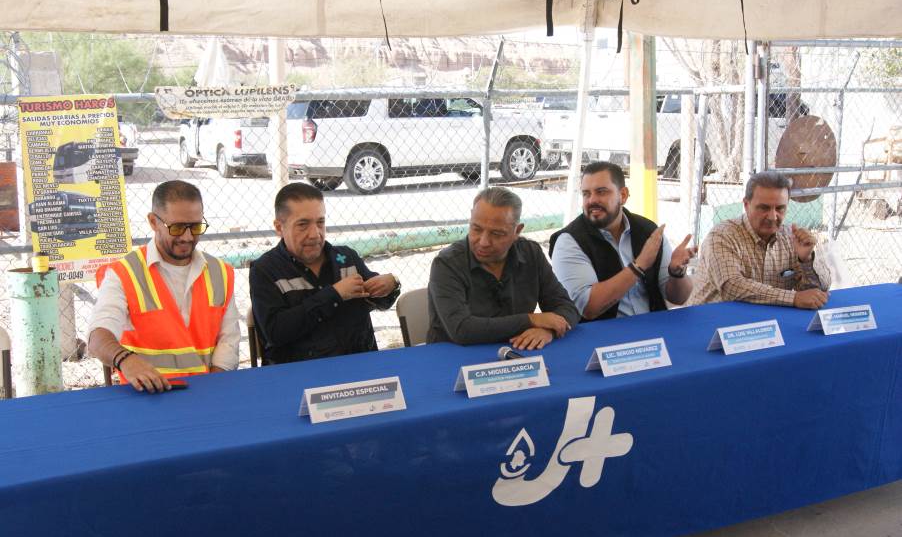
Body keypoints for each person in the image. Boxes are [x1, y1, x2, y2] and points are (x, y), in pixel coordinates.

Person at [88, 180, 240, 393]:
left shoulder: (220, 272)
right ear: (153, 222)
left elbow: (229, 340)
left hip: (208, 390)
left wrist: (212, 388)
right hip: (147, 395)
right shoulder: (124, 274)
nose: (187, 237)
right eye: (177, 228)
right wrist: (126, 360)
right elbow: (98, 337)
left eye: (195, 227)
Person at [249, 183, 400, 365]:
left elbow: (378, 300)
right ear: (279, 227)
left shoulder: (346, 257)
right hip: (299, 376)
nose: (315, 234)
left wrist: (391, 285)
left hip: (361, 367)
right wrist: (334, 294)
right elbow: (275, 333)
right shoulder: (265, 270)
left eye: (320, 222)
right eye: (303, 225)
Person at [427, 187, 580, 350]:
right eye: (476, 229)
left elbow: (568, 308)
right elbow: (462, 330)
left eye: (497, 234)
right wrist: (531, 320)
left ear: (517, 231)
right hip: (453, 357)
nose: (484, 241)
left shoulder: (531, 254)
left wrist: (548, 329)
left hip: (518, 352)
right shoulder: (447, 264)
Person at [550, 161, 695, 321]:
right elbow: (588, 308)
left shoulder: (647, 230)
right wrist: (638, 266)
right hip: (600, 337)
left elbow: (678, 298)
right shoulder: (569, 241)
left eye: (601, 192)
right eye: (586, 194)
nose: (591, 200)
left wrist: (676, 272)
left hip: (653, 332)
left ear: (623, 195)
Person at [688, 171, 831, 309]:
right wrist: (793, 298)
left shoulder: (791, 237)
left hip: (766, 325)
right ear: (746, 204)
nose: (773, 217)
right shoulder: (722, 236)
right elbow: (732, 287)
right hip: (712, 323)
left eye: (780, 208)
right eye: (764, 208)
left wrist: (806, 260)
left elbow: (818, 291)